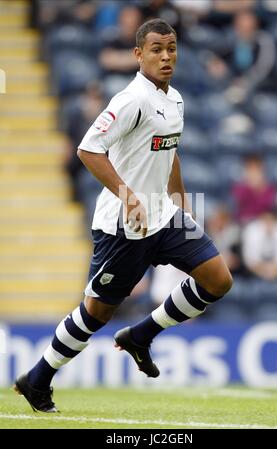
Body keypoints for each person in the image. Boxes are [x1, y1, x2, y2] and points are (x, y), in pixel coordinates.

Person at [14, 18, 233, 413]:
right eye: (156, 49)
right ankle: (38, 378)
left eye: (171, 48)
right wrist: (127, 196)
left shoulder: (175, 99)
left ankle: (141, 335)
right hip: (123, 225)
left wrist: (181, 201)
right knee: (97, 312)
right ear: (138, 54)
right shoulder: (130, 100)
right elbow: (88, 150)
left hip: (163, 216)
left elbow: (169, 151)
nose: (166, 56)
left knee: (218, 279)